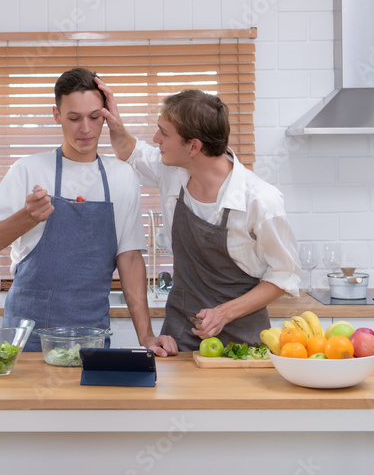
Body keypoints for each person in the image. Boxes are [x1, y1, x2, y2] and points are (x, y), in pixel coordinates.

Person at [0, 68, 172, 356]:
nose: (85, 129)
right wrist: (26, 217)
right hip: (28, 331)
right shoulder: (28, 170)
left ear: (106, 115)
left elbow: (130, 258)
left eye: (94, 117)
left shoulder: (122, 175)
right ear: (56, 115)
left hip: (91, 331)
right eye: (74, 118)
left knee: (87, 401)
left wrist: (147, 335)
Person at [97, 80, 302, 352]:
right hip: (180, 339)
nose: (156, 140)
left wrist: (224, 313)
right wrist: (113, 120)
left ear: (193, 147)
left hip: (245, 346)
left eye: (163, 133)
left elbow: (284, 275)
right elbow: (130, 153)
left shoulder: (260, 201)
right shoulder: (172, 172)